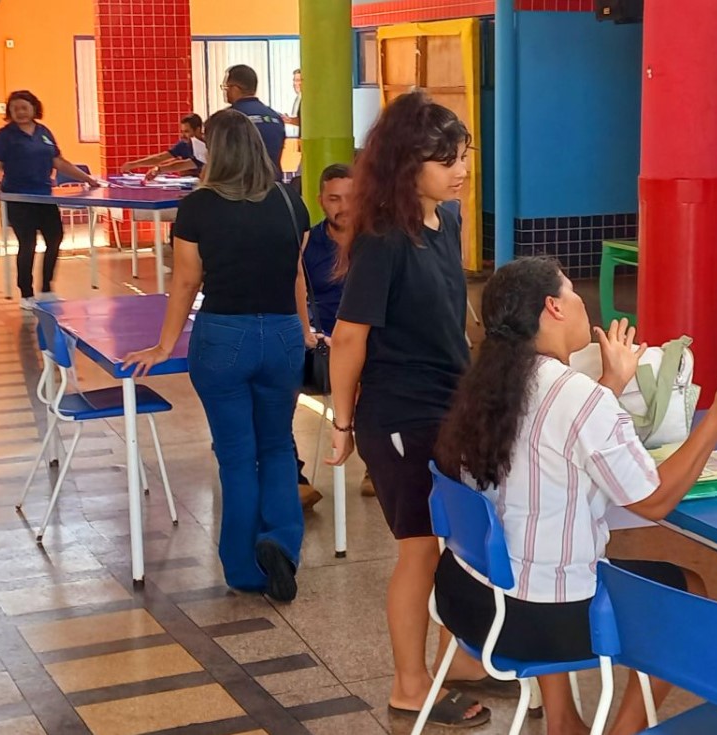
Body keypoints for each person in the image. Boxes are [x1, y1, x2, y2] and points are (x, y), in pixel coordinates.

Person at [434, 258, 717, 735]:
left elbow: (552, 438)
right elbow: (653, 503)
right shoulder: (575, 395)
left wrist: (611, 384)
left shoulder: (490, 385)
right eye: (573, 294)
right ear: (553, 307)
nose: (582, 304)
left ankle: (563, 721)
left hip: (468, 597)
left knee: (551, 552)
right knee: (688, 589)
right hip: (532, 619)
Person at [325, 91, 489, 727]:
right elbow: (349, 337)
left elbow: (451, 320)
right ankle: (409, 684)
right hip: (399, 416)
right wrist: (342, 426)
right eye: (444, 158)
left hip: (449, 407)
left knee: (459, 545)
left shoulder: (443, 221)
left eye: (463, 155)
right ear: (404, 163)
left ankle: (461, 660)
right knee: (420, 549)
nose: (460, 168)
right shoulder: (383, 239)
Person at [123, 109, 313, 604]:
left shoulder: (199, 207)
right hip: (283, 336)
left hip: (224, 338)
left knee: (236, 456)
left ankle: (246, 570)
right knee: (276, 447)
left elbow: (186, 281)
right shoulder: (292, 202)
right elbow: (296, 274)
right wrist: (304, 330)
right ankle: (281, 543)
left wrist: (165, 344)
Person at [291, 163, 377, 507]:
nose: (343, 207)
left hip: (372, 340)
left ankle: (377, 461)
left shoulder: (379, 242)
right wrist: (307, 332)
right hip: (323, 342)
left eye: (352, 198)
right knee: (277, 383)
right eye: (334, 199)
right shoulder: (308, 241)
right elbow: (293, 288)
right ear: (320, 201)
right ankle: (292, 477)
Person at [0, 90, 99, 309]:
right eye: (14, 108)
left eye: (24, 107)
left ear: (34, 108)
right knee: (27, 244)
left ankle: (46, 289)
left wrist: (87, 179)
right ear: (9, 111)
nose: (19, 112)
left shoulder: (44, 132)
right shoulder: (4, 136)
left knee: (55, 238)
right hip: (18, 197)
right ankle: (26, 294)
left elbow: (59, 161)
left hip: (44, 197)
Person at [222, 64, 285, 178]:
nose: (225, 92)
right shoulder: (275, 117)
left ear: (235, 89)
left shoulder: (226, 118)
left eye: (226, 88)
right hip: (272, 186)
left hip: (240, 188)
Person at [122, 114, 206, 179]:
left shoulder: (207, 145)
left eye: (187, 131)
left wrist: (158, 169)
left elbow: (184, 164)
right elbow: (161, 157)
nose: (182, 135)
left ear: (198, 130)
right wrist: (134, 164)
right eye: (182, 131)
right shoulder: (184, 143)